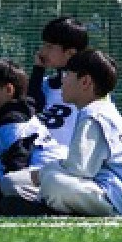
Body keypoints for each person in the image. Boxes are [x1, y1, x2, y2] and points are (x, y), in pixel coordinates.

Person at [0, 50, 122, 217]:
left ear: (85, 81)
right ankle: (46, 206)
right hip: (109, 193)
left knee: (53, 181)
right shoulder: (99, 110)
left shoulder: (94, 114)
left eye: (67, 75)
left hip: (120, 201)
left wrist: (41, 174)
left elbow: (78, 169)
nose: (63, 81)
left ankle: (46, 207)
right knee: (13, 181)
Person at [0, 59, 63, 212]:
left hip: (48, 176)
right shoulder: (14, 111)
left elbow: (19, 156)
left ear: (9, 90)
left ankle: (52, 208)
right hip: (45, 176)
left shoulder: (12, 118)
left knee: (8, 184)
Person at [27, 16, 88, 150]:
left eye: (49, 47)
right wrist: (38, 70)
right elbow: (30, 109)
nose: (42, 52)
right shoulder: (43, 84)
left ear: (70, 53)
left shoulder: (89, 89)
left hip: (68, 166)